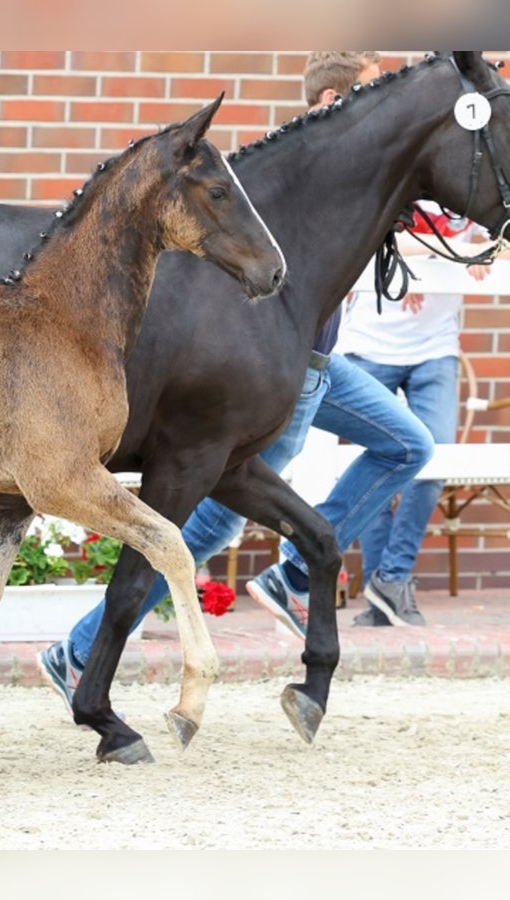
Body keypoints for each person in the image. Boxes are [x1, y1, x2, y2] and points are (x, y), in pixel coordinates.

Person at [38, 51, 436, 706]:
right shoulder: (292, 176)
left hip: (318, 369)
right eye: (367, 94)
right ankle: (82, 652)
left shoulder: (350, 178)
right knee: (207, 511)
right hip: (273, 372)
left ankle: (290, 577)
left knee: (406, 445)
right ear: (330, 102)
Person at [335, 203, 491, 625]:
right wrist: (432, 258)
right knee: (377, 468)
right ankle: (384, 594)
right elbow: (368, 237)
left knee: (436, 462)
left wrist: (481, 249)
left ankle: (392, 578)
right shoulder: (401, 180)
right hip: (369, 349)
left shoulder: (467, 194)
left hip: (435, 353)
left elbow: (497, 239)